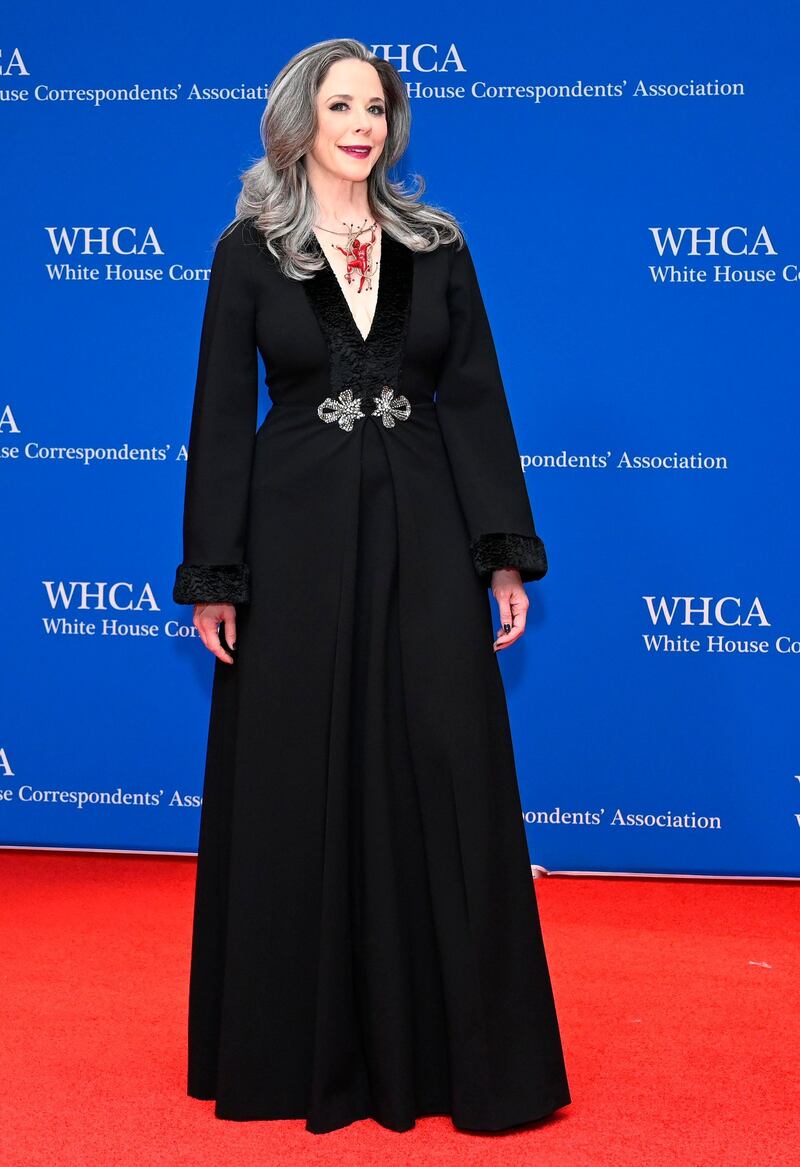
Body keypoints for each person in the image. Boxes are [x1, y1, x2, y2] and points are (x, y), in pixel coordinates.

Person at [172, 36, 571, 1135]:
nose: (363, 124)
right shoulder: (246, 252)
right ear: (298, 121)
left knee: (442, 759)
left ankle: (461, 1057)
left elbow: (477, 399)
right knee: (299, 768)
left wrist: (499, 549)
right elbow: (217, 419)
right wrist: (216, 571)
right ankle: (301, 1052)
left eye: (378, 108)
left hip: (425, 527)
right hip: (294, 538)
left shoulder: (436, 245)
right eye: (342, 105)